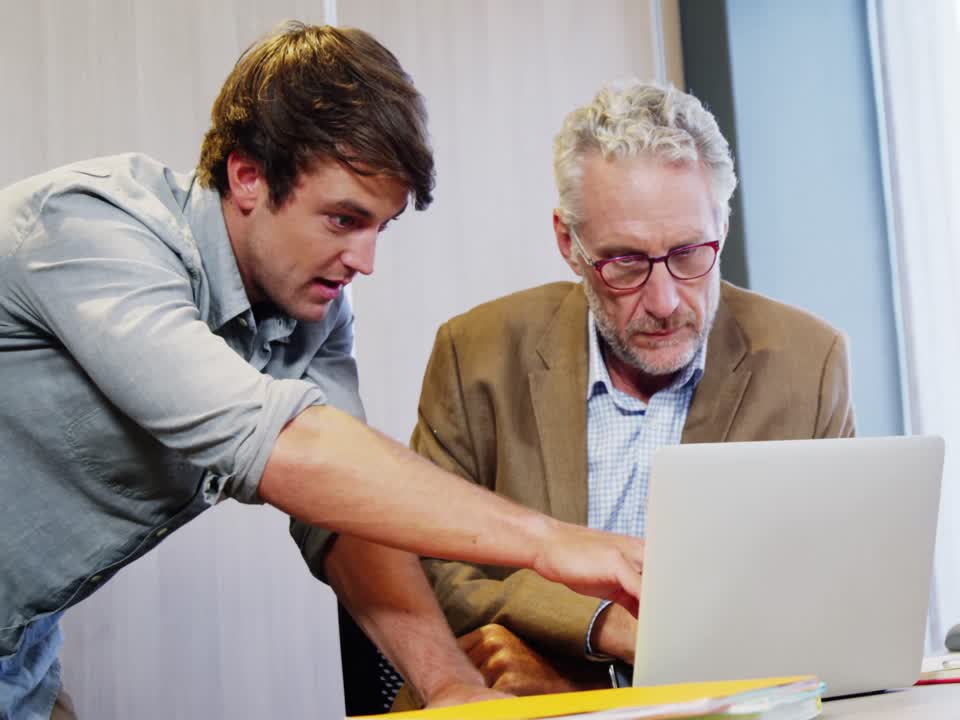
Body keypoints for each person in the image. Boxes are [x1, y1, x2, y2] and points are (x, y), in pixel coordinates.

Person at [0, 23, 643, 720]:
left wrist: (448, 684)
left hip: (21, 664)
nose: (365, 261)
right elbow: (285, 446)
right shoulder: (88, 229)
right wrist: (551, 543)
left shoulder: (315, 316)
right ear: (248, 176)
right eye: (343, 219)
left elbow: (343, 518)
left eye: (380, 227)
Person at [299, 80, 856, 705]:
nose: (666, 300)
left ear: (722, 228)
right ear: (569, 243)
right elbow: (434, 567)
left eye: (690, 253)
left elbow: (820, 606)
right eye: (624, 263)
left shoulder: (810, 364)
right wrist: (610, 629)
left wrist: (597, 678)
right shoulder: (476, 353)